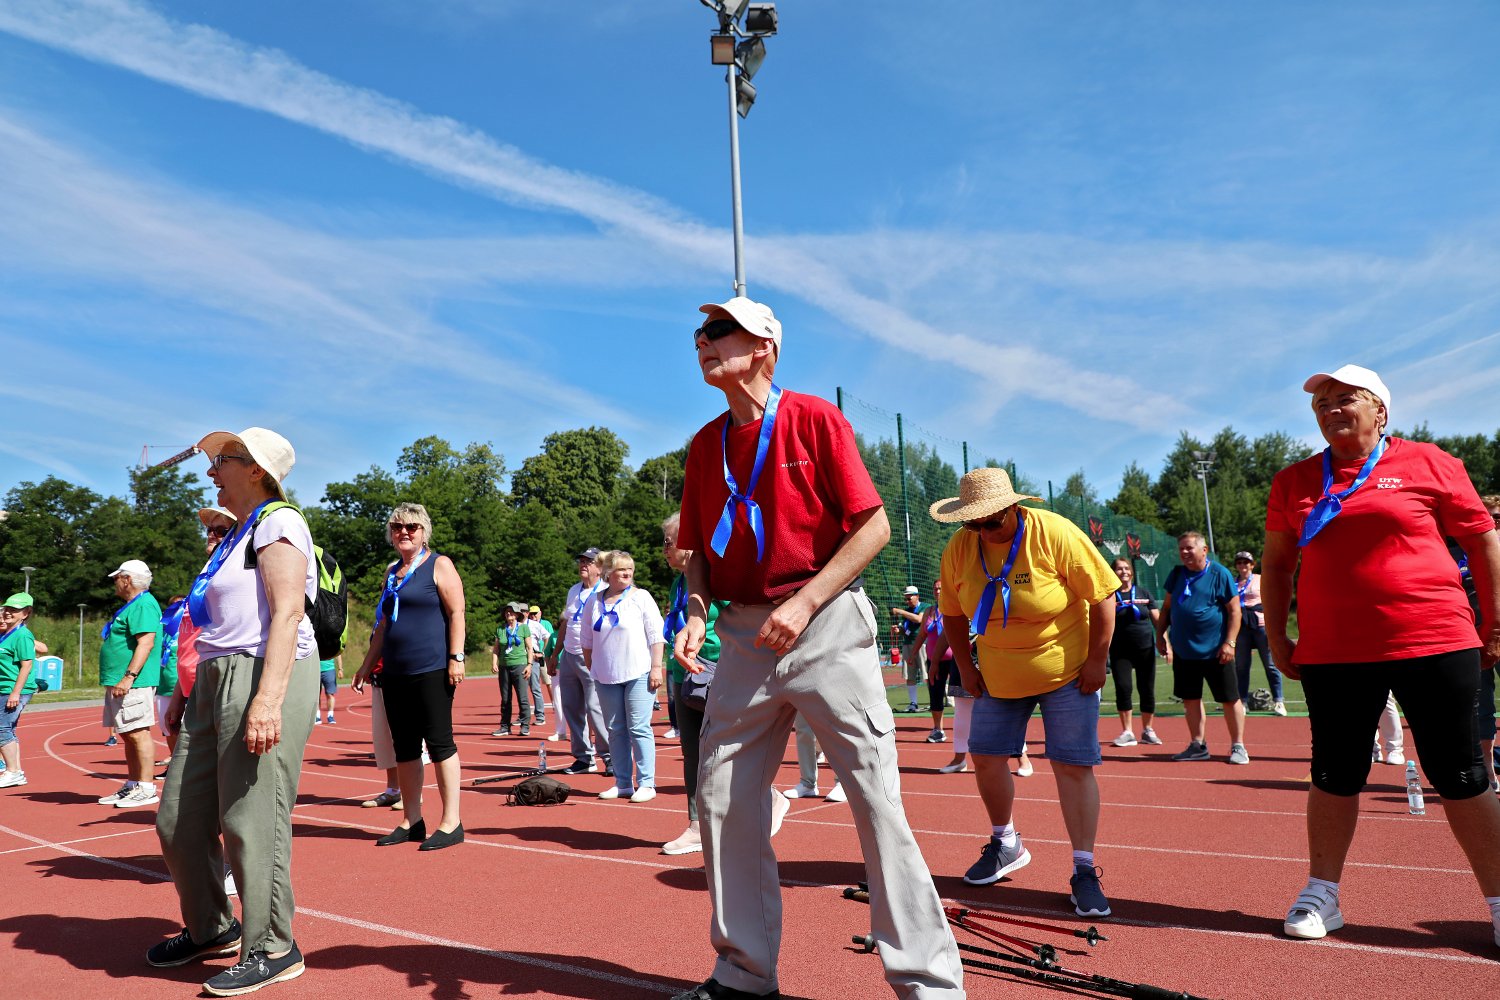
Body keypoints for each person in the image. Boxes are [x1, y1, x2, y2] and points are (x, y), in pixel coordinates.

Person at [673, 295, 962, 1000]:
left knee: (876, 801)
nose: (703, 340)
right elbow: (698, 552)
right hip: (744, 638)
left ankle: (928, 983)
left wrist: (804, 604)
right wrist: (697, 612)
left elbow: (873, 528)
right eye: (701, 333)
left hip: (825, 621)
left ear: (764, 348)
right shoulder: (705, 446)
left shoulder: (815, 419)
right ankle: (743, 975)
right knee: (721, 802)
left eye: (720, 331)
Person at [1262, 365, 1500, 948]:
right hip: (1335, 650)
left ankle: (1498, 899)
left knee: (1462, 774)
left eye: (1344, 399)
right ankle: (1323, 892)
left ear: (1381, 411)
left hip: (1433, 638)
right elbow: (1276, 564)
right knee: (1335, 772)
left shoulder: (1430, 462)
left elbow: (1482, 540)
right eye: (1321, 403)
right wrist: (1278, 637)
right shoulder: (1294, 481)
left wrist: (1496, 623)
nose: (1329, 410)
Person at [151, 427, 319, 995]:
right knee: (178, 819)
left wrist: (267, 700)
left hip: (261, 673)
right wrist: (187, 693)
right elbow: (214, 624)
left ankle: (273, 945)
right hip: (215, 678)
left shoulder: (278, 521)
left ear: (256, 469)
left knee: (252, 818)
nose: (210, 471)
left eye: (222, 460)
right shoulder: (235, 534)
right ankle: (211, 928)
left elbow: (288, 612)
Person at [933, 467, 1118, 919]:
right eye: (973, 524)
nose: (983, 531)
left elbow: (1103, 596)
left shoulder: (1056, 533)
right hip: (998, 674)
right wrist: (965, 668)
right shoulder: (959, 548)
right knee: (985, 757)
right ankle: (1005, 842)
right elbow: (952, 614)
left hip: (1067, 672)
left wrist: (1097, 660)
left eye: (992, 521)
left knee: (1072, 766)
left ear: (1014, 508)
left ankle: (1084, 870)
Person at [353, 502, 467, 851]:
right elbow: (383, 625)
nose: (404, 532)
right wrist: (366, 664)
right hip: (395, 672)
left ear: (424, 532)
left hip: (432, 668)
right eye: (397, 527)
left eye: (411, 527)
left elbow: (457, 612)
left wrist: (456, 657)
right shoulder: (392, 572)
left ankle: (451, 822)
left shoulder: (439, 564)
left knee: (439, 742)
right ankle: (412, 820)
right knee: (404, 746)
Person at [1157, 533, 1247, 764]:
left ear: (1204, 550)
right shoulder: (1177, 574)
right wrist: (1160, 635)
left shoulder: (1219, 573)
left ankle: (1238, 746)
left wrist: (1230, 643)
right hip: (1184, 651)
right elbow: (1166, 609)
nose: (1184, 552)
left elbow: (1235, 611)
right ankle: (1198, 745)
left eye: (1189, 548)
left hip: (1216, 651)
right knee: (1190, 699)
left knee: (1229, 698)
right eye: (1181, 549)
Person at [581, 551, 664, 802]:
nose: (627, 573)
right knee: (615, 730)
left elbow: (656, 635)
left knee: (638, 727)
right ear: (608, 573)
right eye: (621, 569)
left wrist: (656, 667)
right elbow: (586, 639)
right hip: (606, 676)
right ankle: (623, 783)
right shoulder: (594, 601)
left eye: (630, 569)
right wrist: (593, 667)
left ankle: (647, 783)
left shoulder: (641, 597)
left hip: (638, 672)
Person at [97, 559, 163, 809]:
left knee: (137, 732)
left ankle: (146, 787)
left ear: (127, 579)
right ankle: (134, 783)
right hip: (122, 682)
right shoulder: (134, 605)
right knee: (127, 733)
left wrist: (129, 676)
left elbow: (146, 643)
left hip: (134, 682)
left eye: (117, 578)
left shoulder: (144, 604)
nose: (115, 582)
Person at [555, 548, 612, 776]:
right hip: (569, 655)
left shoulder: (606, 590)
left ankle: (609, 757)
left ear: (600, 567)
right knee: (571, 708)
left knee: (595, 708)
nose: (583, 565)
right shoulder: (574, 590)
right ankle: (583, 757)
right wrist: (555, 654)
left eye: (589, 562)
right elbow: (566, 623)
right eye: (581, 561)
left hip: (592, 656)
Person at [1107, 558, 1163, 747]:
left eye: (1126, 568)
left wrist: (1165, 642)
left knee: (1146, 689)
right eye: (1119, 569)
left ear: (1131, 571)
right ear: (1113, 572)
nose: (1123, 572)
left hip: (1145, 648)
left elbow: (1157, 620)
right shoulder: (1110, 596)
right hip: (1119, 650)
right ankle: (1127, 732)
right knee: (1123, 688)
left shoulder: (1144, 593)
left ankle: (1148, 730)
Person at [1231, 552, 1286, 716]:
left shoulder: (1260, 579)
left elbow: (1272, 598)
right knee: (1241, 666)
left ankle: (1279, 701)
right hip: (1241, 626)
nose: (1243, 565)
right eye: (1239, 562)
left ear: (1252, 564)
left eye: (1246, 562)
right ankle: (1243, 702)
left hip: (1260, 624)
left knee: (1270, 664)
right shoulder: (1233, 582)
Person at [0, 593, 39, 789]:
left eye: (14, 610)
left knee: (2, 728)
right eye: (7, 608)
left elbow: (26, 665)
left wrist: (16, 692)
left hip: (13, 689)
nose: (8, 612)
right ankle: (15, 771)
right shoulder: (6, 633)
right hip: (4, 687)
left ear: (26, 613)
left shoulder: (22, 635)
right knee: (7, 728)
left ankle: (13, 771)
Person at [918, 581, 958, 744]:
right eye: (935, 588)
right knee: (935, 693)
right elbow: (922, 634)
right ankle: (938, 730)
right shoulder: (929, 611)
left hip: (955, 659)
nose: (938, 591)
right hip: (934, 660)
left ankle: (968, 729)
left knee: (962, 694)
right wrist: (913, 653)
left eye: (941, 588)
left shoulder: (954, 608)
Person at [490, 602, 534, 737]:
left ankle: (525, 726)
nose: (508, 613)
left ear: (517, 614)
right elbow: (496, 649)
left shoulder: (523, 628)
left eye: (511, 611)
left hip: (520, 665)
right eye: (506, 611)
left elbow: (529, 647)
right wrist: (494, 663)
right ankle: (505, 727)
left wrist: (529, 664)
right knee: (505, 698)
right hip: (504, 666)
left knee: (522, 697)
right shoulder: (500, 629)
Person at [158, 593, 187, 762]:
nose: (178, 609)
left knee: (183, 727)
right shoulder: (165, 630)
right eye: (174, 606)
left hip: (183, 685)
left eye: (181, 605)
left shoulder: (191, 627)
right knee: (167, 726)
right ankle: (172, 760)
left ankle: (183, 764)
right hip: (164, 684)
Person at [892, 585, 930, 713]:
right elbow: (905, 630)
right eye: (906, 599)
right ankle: (913, 703)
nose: (907, 601)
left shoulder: (925, 607)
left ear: (917, 596)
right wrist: (898, 631)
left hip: (923, 644)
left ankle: (936, 700)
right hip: (908, 644)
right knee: (910, 675)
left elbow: (919, 619)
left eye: (909, 598)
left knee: (928, 674)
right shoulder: (907, 611)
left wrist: (901, 612)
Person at [527, 605, 554, 732]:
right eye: (531, 614)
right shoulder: (528, 624)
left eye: (535, 613)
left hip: (542, 656)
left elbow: (550, 637)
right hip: (533, 657)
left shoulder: (545, 624)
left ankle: (554, 705)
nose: (533, 616)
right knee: (533, 685)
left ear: (540, 613)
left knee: (548, 682)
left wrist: (545, 652)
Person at [314, 653, 342, 725]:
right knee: (316, 695)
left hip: (329, 669)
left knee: (330, 694)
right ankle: (317, 716)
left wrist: (340, 669)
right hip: (315, 669)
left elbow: (338, 654)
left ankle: (330, 715)